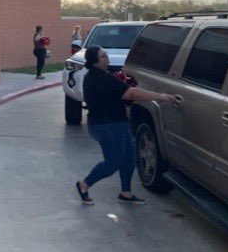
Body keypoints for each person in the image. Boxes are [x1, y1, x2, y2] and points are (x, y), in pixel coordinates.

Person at [74, 46, 179, 206]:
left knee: (129, 157)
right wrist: (160, 96)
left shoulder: (95, 75)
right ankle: (84, 184)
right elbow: (131, 93)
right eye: (103, 56)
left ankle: (126, 193)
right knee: (113, 163)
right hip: (108, 127)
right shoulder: (102, 77)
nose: (107, 57)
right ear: (95, 61)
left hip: (111, 125)